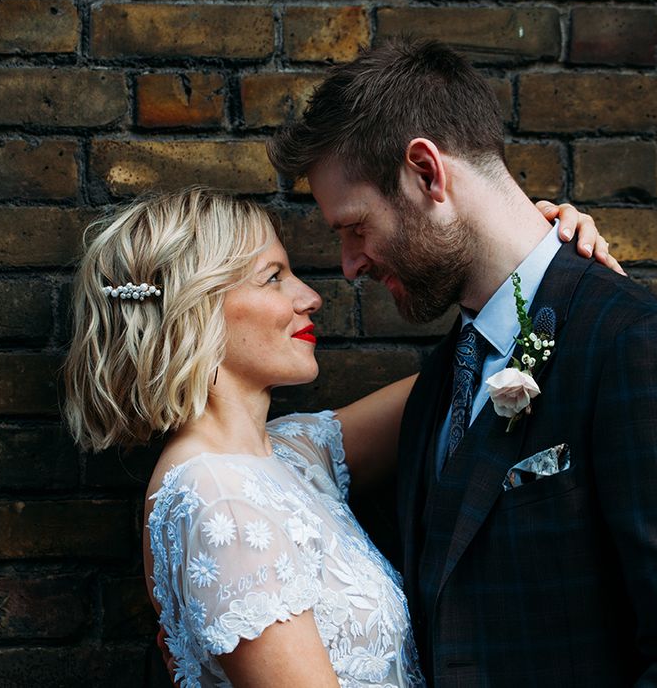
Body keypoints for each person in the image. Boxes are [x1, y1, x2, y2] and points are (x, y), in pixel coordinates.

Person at [63, 186, 610, 687]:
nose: (310, 297)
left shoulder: (293, 453)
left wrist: (545, 264)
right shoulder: (217, 497)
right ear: (194, 309)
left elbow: (482, 373)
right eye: (273, 277)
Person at [267, 38, 657, 686]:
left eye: (354, 227)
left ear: (427, 173)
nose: (349, 265)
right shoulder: (439, 385)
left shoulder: (632, 345)